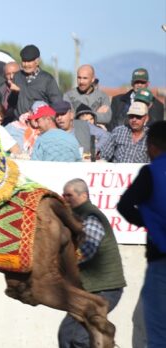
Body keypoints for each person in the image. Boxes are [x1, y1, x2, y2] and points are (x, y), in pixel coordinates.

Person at [58, 179, 126, 347]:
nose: (65, 199)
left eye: (69, 195)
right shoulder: (76, 217)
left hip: (104, 289)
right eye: (63, 195)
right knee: (67, 335)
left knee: (79, 337)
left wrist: (59, 264)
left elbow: (86, 251)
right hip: (92, 290)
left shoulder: (91, 217)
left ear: (84, 195)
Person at [117, 120, 166, 346]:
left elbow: (124, 206)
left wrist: (148, 222)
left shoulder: (151, 172)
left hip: (161, 262)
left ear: (152, 145)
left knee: (156, 333)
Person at [13, 44, 62, 117]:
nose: (26, 64)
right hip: (20, 124)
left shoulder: (47, 79)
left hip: (40, 124)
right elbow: (11, 104)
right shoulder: (17, 77)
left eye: (29, 61)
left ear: (37, 61)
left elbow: (57, 104)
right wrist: (14, 93)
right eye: (24, 61)